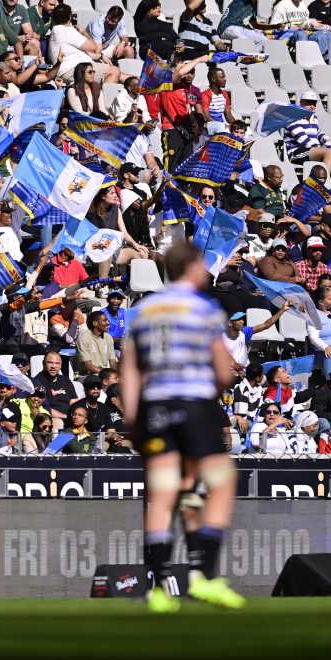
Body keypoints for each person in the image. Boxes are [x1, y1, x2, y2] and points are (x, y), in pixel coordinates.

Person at [122, 243, 243, 613]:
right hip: (193, 403)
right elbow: (223, 370)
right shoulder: (204, 307)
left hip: (155, 406)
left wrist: (133, 420)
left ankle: (158, 588)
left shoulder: (142, 311)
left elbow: (129, 370)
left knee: (162, 495)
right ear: (191, 267)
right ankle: (203, 576)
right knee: (222, 482)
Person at [216, 0, 289, 49]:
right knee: (243, 39)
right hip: (227, 28)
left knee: (263, 40)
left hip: (242, 29)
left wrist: (275, 26)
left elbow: (255, 25)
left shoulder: (252, 5)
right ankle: (242, 55)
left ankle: (257, 56)